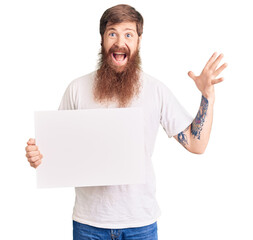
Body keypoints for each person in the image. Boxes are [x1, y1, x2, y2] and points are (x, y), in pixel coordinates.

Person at [25, 4, 227, 240]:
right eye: (112, 33)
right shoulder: (77, 89)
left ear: (138, 42)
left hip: (140, 223)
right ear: (102, 40)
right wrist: (38, 157)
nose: (120, 42)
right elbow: (57, 154)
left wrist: (207, 96)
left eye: (128, 34)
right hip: (89, 223)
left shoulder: (155, 90)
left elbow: (196, 144)